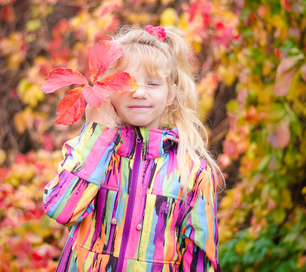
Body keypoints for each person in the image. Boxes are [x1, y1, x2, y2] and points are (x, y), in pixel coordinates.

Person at [43, 25, 222, 272]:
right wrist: (98, 134)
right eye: (127, 82)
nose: (139, 93)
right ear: (108, 90)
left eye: (153, 84)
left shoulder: (191, 170)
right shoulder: (88, 151)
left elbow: (200, 260)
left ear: (170, 94)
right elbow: (61, 209)